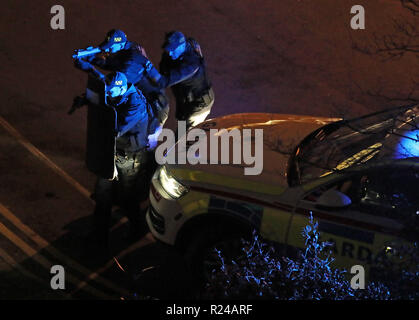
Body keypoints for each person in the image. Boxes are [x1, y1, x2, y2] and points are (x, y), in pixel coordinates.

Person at [73, 60, 155, 252]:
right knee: (103, 195)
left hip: (130, 157)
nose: (108, 96)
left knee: (126, 198)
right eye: (107, 92)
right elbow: (102, 94)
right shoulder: (116, 91)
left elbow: (115, 129)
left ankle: (137, 228)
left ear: (120, 89)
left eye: (111, 93)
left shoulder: (135, 105)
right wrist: (87, 100)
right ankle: (97, 238)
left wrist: (99, 116)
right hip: (114, 153)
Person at [79, 29, 169, 128]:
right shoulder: (128, 48)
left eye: (110, 47)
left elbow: (112, 84)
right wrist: (90, 58)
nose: (107, 50)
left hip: (156, 111)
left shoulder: (130, 64)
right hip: (145, 99)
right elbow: (110, 63)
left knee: (139, 136)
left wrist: (89, 69)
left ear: (120, 44)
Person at [157, 31, 214, 129]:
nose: (170, 53)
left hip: (199, 104)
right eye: (169, 49)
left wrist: (146, 65)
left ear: (182, 46)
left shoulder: (191, 65)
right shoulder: (187, 46)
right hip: (186, 100)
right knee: (182, 124)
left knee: (187, 134)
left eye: (173, 50)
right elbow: (163, 68)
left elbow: (163, 81)